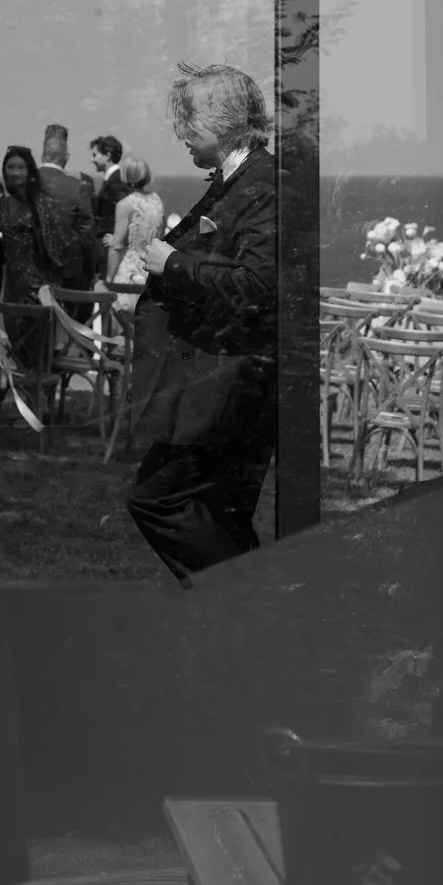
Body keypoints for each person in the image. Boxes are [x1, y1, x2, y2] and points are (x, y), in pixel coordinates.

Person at [123, 63, 279, 583]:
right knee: (220, 511)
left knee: (159, 498)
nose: (181, 132)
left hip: (229, 386)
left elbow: (257, 285)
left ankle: (248, 610)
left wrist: (173, 264)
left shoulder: (260, 184)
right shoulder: (238, 182)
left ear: (223, 118)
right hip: (222, 382)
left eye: (187, 119)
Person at [0, 145, 48, 372]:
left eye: (21, 167)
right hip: (12, 282)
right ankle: (26, 393)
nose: (15, 172)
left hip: (36, 284)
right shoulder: (4, 203)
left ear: (30, 170)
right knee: (15, 338)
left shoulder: (40, 203)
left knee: (34, 344)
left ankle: (36, 396)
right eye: (11, 167)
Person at [35, 124, 103, 295]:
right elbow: (87, 236)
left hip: (31, 275)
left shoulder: (24, 185)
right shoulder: (77, 187)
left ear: (42, 155)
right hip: (68, 277)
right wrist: (90, 272)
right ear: (66, 157)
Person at [103, 154, 165, 314]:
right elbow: (159, 237)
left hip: (129, 272)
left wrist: (109, 279)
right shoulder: (157, 201)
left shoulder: (126, 205)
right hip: (151, 270)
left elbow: (116, 247)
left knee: (118, 319)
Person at [89, 133, 129, 239]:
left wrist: (117, 238)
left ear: (107, 155)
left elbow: (126, 211)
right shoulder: (115, 178)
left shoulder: (116, 181)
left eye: (95, 155)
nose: (92, 160)